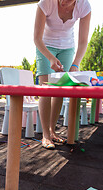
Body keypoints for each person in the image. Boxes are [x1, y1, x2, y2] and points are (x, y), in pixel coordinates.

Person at [34, 0, 91, 149]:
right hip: (45, 46)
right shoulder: (45, 3)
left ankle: (52, 131)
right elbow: (37, 38)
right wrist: (50, 57)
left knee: (59, 89)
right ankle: (45, 135)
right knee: (46, 89)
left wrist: (75, 63)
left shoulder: (84, 6)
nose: (63, 2)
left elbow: (83, 41)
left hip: (67, 47)